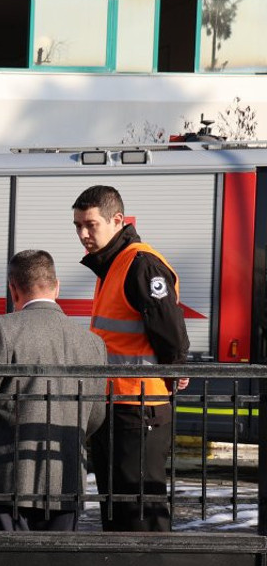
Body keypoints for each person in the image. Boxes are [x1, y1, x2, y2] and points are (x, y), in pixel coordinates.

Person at [0, 250, 107, 531]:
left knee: (5, 558)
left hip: (5, 480)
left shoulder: (1, 331)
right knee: (56, 559)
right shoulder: (92, 343)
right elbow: (95, 415)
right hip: (65, 479)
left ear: (13, 289)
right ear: (57, 286)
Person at [74, 185, 190, 532]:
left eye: (91, 225)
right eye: (78, 225)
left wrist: (176, 370)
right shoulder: (114, 264)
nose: (83, 234)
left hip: (139, 407)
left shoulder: (140, 264)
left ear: (117, 220)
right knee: (121, 512)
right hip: (120, 404)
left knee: (141, 514)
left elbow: (171, 333)